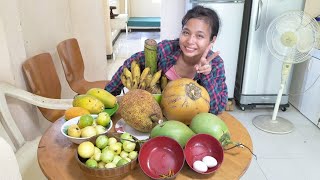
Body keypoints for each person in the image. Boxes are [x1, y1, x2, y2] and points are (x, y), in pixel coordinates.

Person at [105, 5, 228, 114]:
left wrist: (206, 75)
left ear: (212, 40)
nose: (190, 41)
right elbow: (132, 63)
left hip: (192, 124)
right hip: (156, 116)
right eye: (186, 33)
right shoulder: (167, 49)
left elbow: (216, 109)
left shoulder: (216, 64)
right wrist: (107, 96)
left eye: (200, 36)